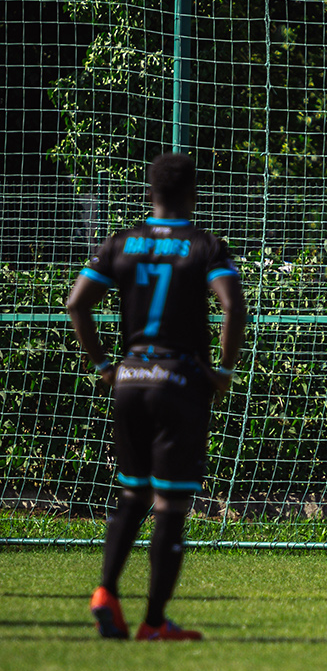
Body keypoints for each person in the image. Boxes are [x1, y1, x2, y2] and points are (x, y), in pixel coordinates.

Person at [66, 152, 246, 640]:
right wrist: (223, 370)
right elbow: (233, 307)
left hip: (130, 378)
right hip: (178, 379)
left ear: (150, 193)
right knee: (170, 504)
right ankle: (152, 623)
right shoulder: (203, 245)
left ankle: (105, 592)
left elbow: (77, 303)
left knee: (133, 491)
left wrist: (104, 366)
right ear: (193, 194)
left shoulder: (121, 242)